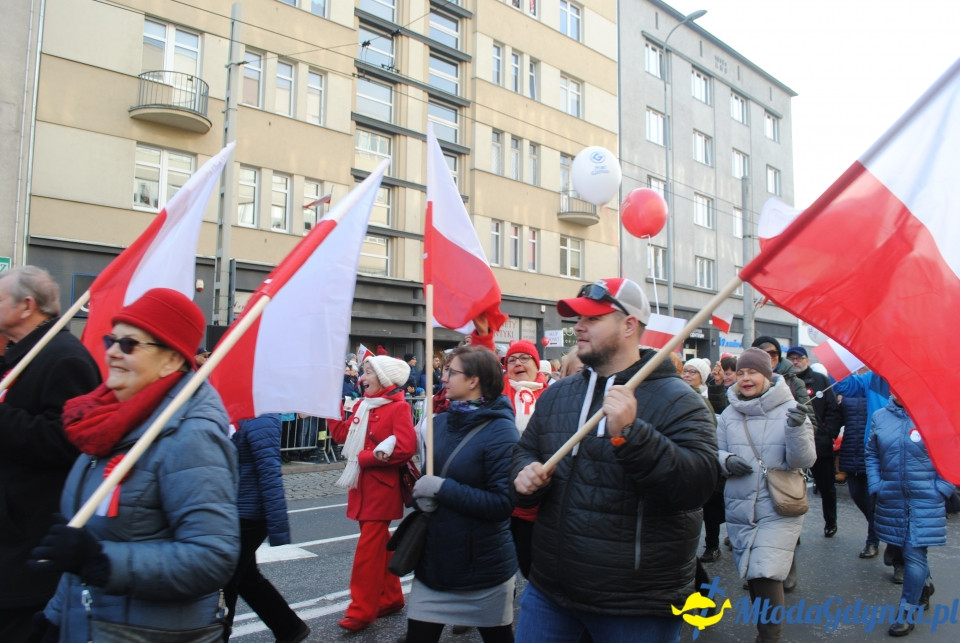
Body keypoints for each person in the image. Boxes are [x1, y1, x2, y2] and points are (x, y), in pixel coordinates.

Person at [512, 277, 718, 642]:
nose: (578, 327)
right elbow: (526, 451)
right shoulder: (558, 394)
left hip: (635, 604)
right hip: (550, 590)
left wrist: (632, 434)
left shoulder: (680, 400)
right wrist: (524, 476)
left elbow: (697, 486)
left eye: (592, 319)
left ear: (628, 325)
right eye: (578, 318)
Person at [29, 288, 239, 641]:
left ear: (171, 360)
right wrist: (55, 617)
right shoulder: (106, 422)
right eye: (112, 340)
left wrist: (101, 561)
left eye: (130, 344)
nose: (111, 351)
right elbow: (82, 544)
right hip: (93, 626)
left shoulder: (191, 435)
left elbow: (211, 557)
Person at [0, 267, 101, 640]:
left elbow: (67, 441)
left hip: (29, 541)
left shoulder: (63, 358)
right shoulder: (22, 355)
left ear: (27, 306)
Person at [403, 346, 519, 643]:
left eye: (451, 372)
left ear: (473, 380)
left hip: (483, 570)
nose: (443, 378)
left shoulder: (501, 431)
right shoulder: (438, 424)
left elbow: (501, 503)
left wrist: (442, 489)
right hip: (435, 565)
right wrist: (420, 497)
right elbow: (427, 481)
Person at [718, 348, 816, 643]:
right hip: (740, 503)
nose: (746, 378)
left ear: (767, 376)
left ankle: (770, 637)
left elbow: (804, 460)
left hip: (778, 503)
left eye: (753, 372)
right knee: (753, 573)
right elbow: (716, 451)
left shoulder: (791, 409)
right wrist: (725, 461)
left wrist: (797, 428)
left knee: (766, 572)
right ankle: (766, 632)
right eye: (742, 372)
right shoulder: (727, 413)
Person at [328, 355, 416, 632]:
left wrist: (366, 458)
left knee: (368, 551)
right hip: (362, 488)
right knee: (378, 544)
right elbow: (343, 435)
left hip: (382, 491)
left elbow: (405, 448)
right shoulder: (364, 405)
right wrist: (330, 408)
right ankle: (390, 597)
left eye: (368, 373)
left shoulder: (398, 408)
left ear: (385, 379)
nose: (362, 378)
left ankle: (361, 610)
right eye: (364, 372)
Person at [866, 394, 953, 637]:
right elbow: (871, 453)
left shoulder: (936, 416)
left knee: (914, 552)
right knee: (903, 548)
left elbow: (952, 455)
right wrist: (876, 485)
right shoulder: (880, 417)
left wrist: (941, 490)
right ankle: (924, 585)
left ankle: (907, 612)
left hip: (926, 497)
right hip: (891, 495)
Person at [223, 413, 309, 642]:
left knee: (226, 579)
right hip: (233, 509)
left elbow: (270, 473)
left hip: (248, 515)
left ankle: (216, 635)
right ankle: (290, 628)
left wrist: (278, 527)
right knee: (247, 578)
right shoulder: (235, 413)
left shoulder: (262, 418)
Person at [786, 346, 843, 538]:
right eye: (791, 358)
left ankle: (831, 522)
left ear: (807, 359)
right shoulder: (784, 382)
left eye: (799, 358)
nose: (795, 362)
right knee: (793, 488)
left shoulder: (820, 381)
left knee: (826, 486)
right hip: (793, 443)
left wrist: (828, 435)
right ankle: (794, 531)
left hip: (820, 444)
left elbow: (834, 411)